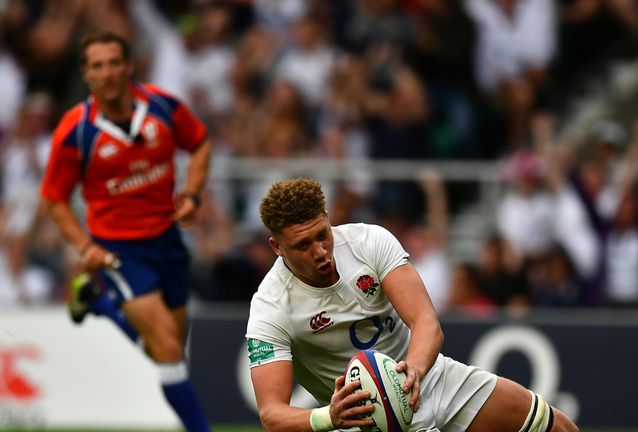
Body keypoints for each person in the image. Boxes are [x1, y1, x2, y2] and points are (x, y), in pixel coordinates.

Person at [245, 177, 578, 432]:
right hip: (366, 420)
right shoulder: (270, 307)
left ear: (328, 218)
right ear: (277, 246)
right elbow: (271, 413)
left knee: (558, 426)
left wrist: (413, 373)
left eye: (322, 234)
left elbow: (426, 322)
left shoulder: (368, 242)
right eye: (303, 244)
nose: (319, 251)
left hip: (426, 377)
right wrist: (329, 416)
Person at [39, 31, 211, 431]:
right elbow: (54, 198)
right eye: (97, 65)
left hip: (168, 242)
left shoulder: (162, 107)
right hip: (119, 250)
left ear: (129, 65)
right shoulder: (75, 130)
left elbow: (200, 142)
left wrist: (194, 195)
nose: (107, 72)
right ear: (86, 74)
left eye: (114, 62)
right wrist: (85, 247)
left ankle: (99, 304)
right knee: (167, 347)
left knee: (167, 349)